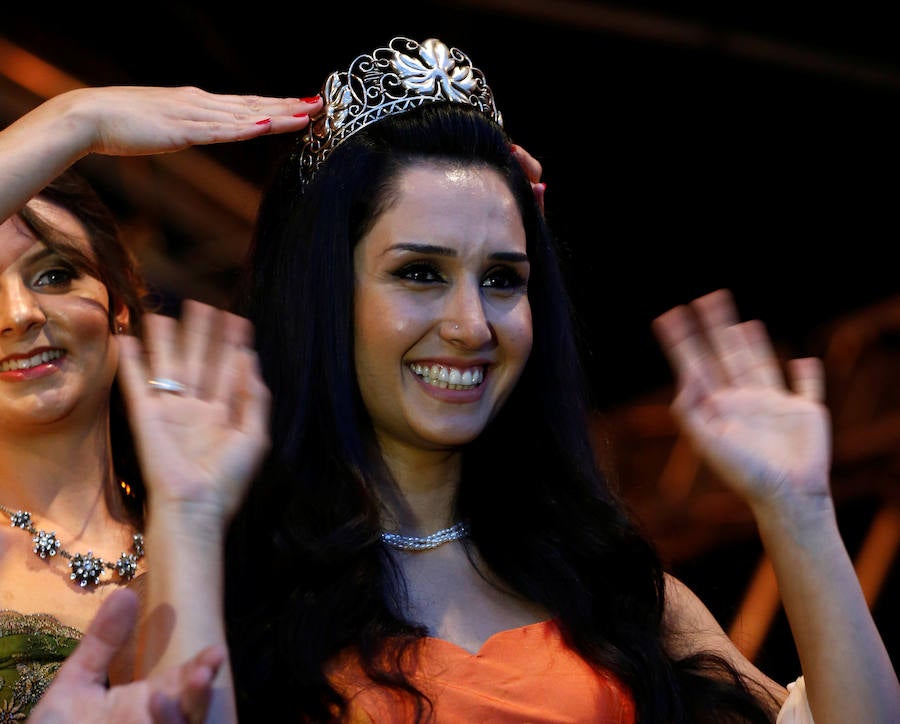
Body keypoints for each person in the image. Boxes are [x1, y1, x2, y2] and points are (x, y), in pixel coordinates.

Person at [220, 36, 899, 723]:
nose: (472, 324)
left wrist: (800, 512)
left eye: (502, 280)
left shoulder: (615, 597)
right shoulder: (232, 589)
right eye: (420, 273)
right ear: (324, 295)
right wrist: (99, 126)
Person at [0, 85, 322, 718]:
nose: (18, 315)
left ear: (120, 305)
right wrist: (77, 118)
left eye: (54, 274)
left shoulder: (237, 529)